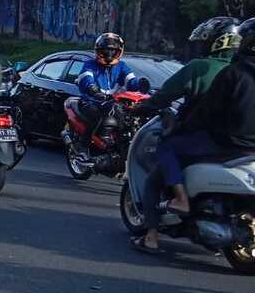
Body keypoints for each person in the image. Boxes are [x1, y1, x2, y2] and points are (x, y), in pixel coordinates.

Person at [134, 17, 255, 254]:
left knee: (167, 150)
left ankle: (157, 228)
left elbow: (206, 112)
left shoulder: (228, 72)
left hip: (227, 143)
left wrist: (181, 128)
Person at [73, 33, 147, 151]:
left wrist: (140, 84)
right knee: (95, 116)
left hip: (112, 102)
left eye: (113, 51)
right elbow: (86, 77)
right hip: (91, 101)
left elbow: (130, 81)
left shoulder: (122, 66)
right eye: (105, 51)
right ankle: (83, 147)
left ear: (119, 51)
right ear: (98, 51)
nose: (109, 55)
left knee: (128, 118)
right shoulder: (90, 64)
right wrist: (92, 89)